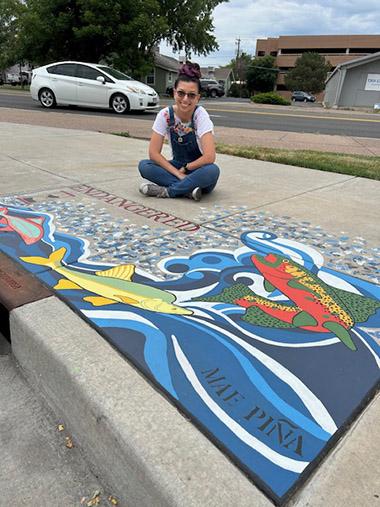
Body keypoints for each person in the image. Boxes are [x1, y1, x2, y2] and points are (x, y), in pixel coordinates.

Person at [138, 61, 220, 202]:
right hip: (178, 167)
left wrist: (187, 169)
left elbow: (209, 157)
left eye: (191, 95)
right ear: (174, 92)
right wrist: (179, 174)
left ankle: (169, 191)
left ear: (198, 97)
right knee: (145, 166)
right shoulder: (165, 115)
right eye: (181, 93)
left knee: (213, 170)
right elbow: (153, 153)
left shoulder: (200, 115)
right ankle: (189, 190)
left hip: (198, 169)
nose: (185, 99)